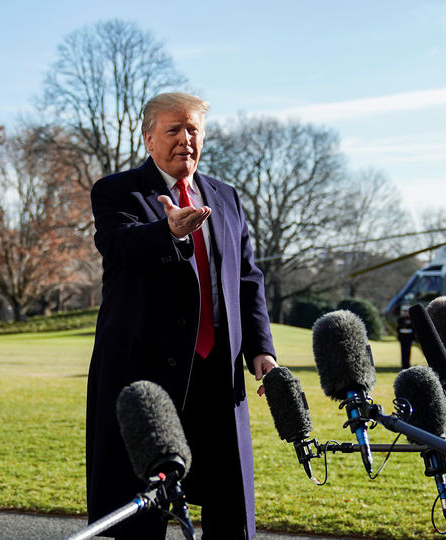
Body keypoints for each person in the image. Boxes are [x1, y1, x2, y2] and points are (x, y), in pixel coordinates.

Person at [86, 91, 278, 539]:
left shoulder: (226, 198)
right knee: (141, 514)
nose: (185, 139)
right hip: (146, 378)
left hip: (217, 376)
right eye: (173, 129)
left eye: (193, 129)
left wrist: (261, 350)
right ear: (149, 138)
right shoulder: (117, 191)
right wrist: (168, 231)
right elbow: (121, 246)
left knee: (229, 506)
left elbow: (248, 279)